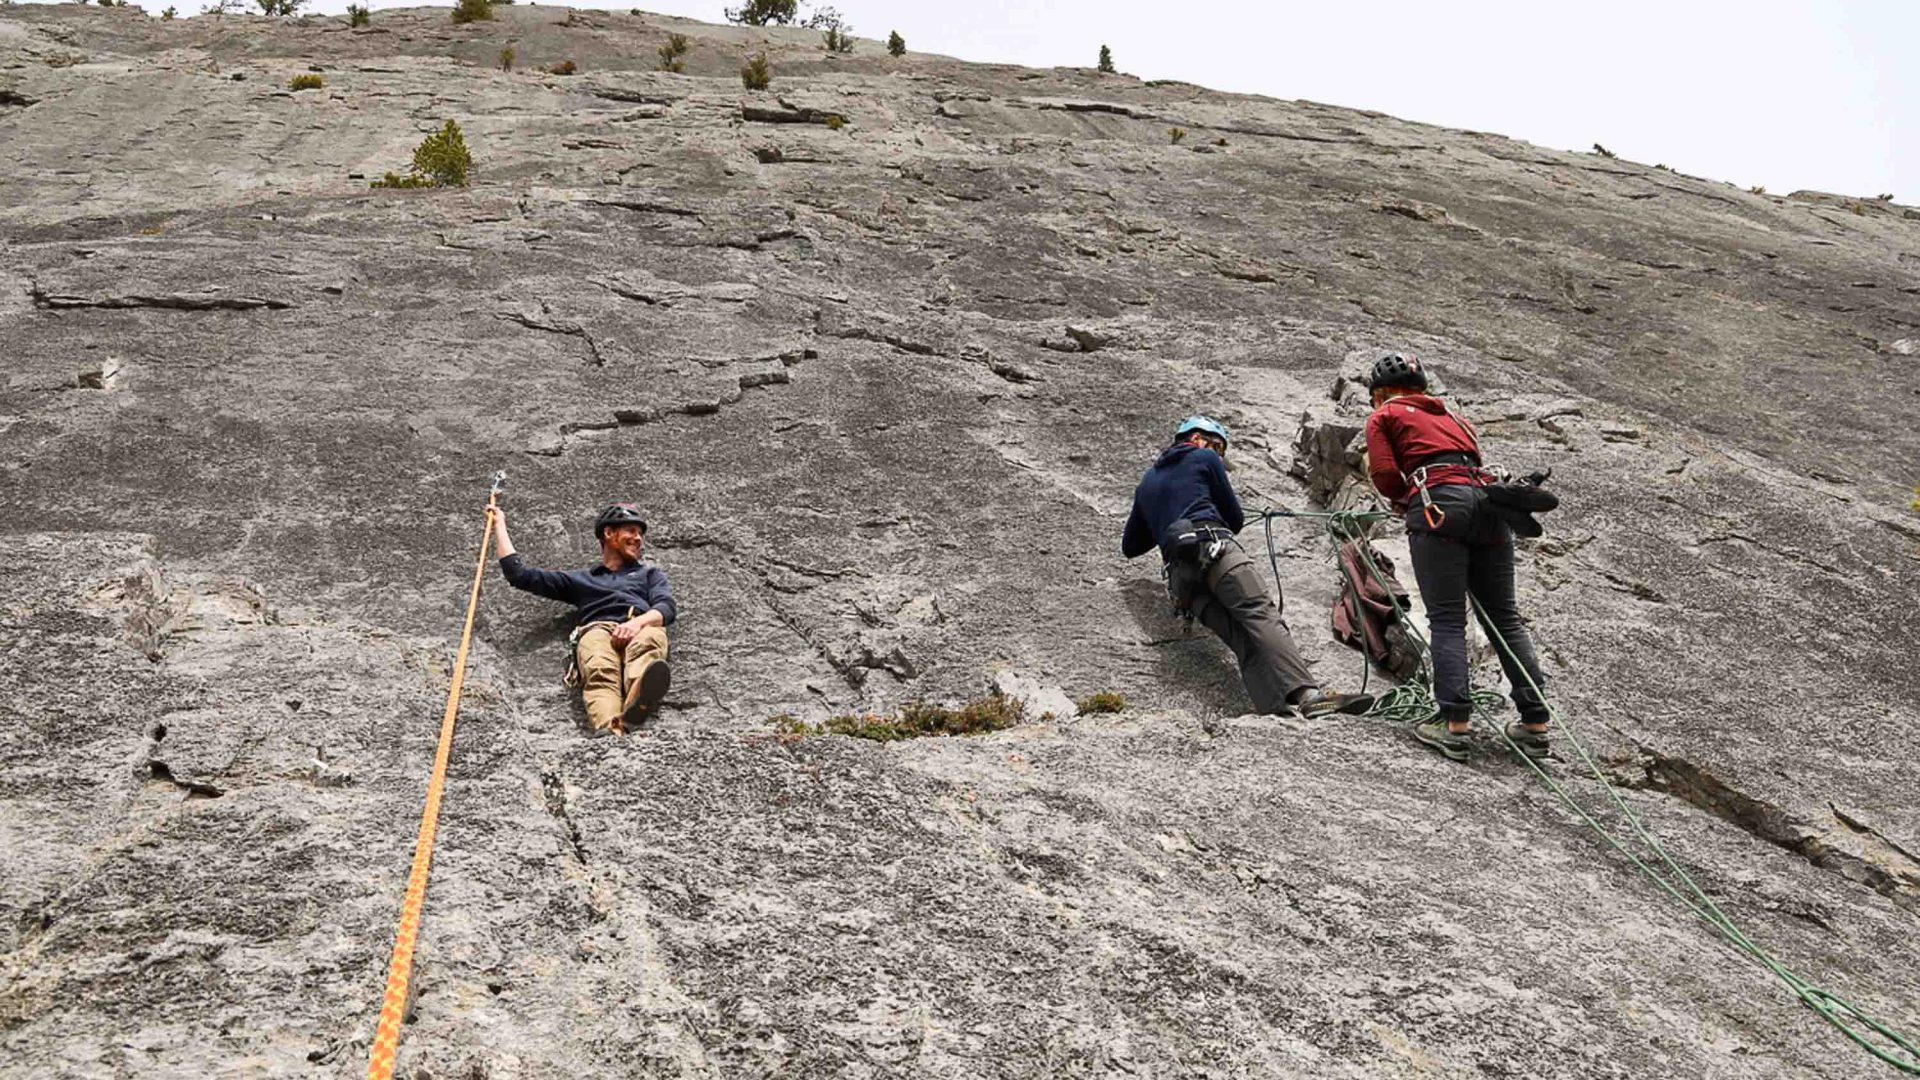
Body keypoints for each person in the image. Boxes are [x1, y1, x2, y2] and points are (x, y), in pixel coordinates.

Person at [1362, 353, 1551, 762]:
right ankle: (1535, 723)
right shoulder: (1454, 418)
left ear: (1380, 394)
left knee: (1447, 617)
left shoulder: (1384, 415)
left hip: (1437, 507)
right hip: (1488, 507)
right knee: (1504, 617)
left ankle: (1453, 723)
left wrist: (1403, 500)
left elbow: (1383, 473)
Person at [1123, 416, 1375, 719]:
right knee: (1260, 615)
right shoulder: (1203, 457)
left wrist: (1165, 517)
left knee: (1242, 639)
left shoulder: (1147, 482)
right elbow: (1235, 516)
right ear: (1195, 439)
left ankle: (1275, 712)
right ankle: (1309, 696)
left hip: (1183, 583)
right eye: (1216, 446)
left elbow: (1131, 546)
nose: (1218, 455)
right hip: (1216, 550)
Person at [490, 502, 675, 735]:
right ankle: (611, 728)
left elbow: (666, 608)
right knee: (599, 669)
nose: (638, 538)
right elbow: (519, 575)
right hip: (597, 629)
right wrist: (499, 524)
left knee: (646, 644)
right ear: (609, 533)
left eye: (640, 534)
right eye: (631, 531)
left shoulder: (649, 574)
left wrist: (635, 624)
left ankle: (638, 699)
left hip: (640, 623)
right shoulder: (582, 580)